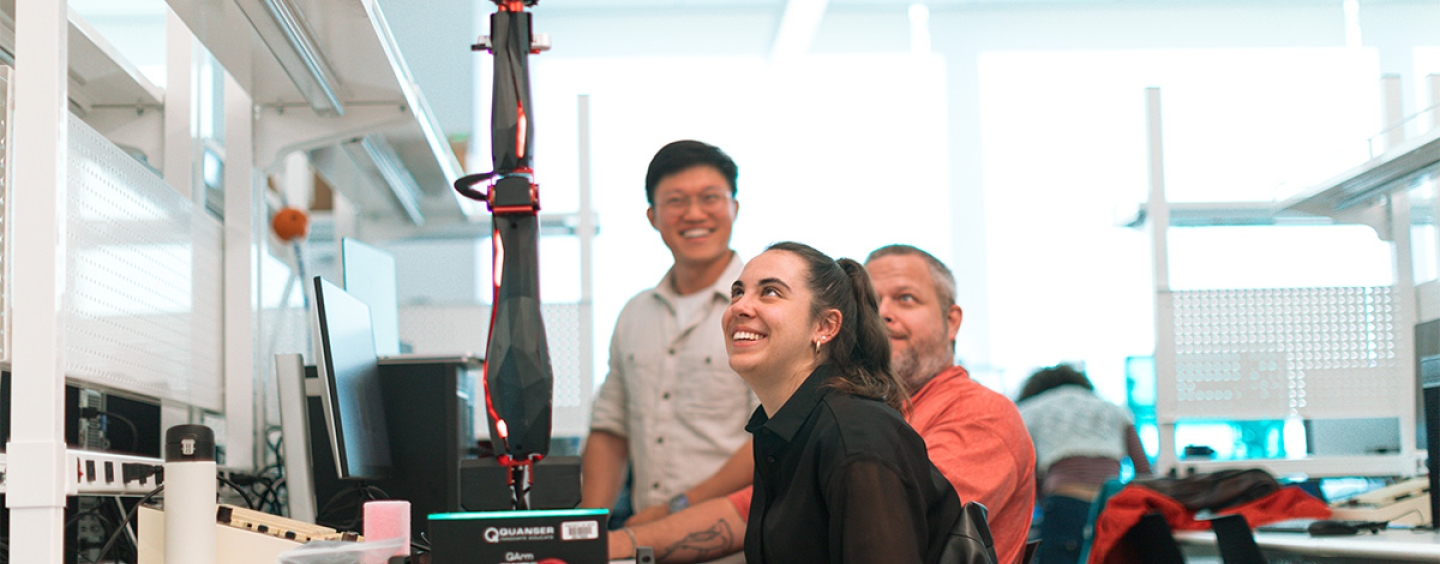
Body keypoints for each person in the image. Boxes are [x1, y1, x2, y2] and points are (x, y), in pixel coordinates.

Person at [608, 244, 1037, 564]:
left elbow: (915, 524)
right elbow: (754, 512)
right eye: (873, 299)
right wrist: (615, 543)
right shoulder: (809, 421)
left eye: (906, 298)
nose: (884, 314)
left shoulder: (945, 420)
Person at [727, 241, 962, 563]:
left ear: (825, 326)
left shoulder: (856, 434)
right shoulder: (785, 429)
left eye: (770, 292)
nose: (740, 306)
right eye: (737, 292)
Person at [582, 141, 757, 534]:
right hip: (645, 541)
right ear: (652, 216)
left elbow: (772, 437)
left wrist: (678, 508)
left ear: (735, 208)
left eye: (710, 198)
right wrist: (586, 531)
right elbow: (611, 429)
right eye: (676, 201)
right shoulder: (634, 314)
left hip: (733, 542)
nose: (694, 214)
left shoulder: (763, 309)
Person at [1017, 364, 1152, 564]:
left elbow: (1025, 473)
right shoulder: (1114, 409)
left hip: (1065, 505)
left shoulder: (1031, 410)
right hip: (1113, 508)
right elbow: (1144, 471)